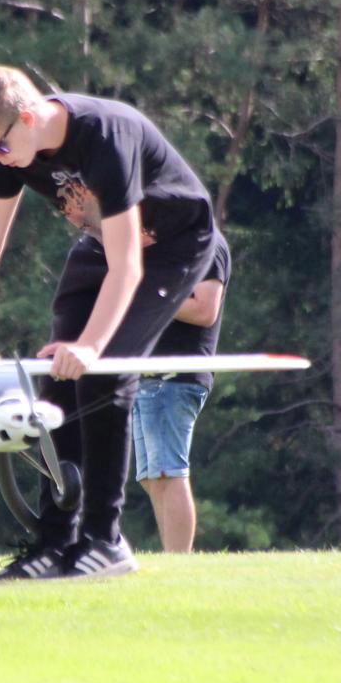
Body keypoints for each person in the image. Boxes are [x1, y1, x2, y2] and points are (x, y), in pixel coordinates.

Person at [0, 62, 218, 581]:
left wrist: (93, 345)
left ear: (29, 118)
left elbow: (129, 265)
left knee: (101, 374)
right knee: (56, 378)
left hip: (172, 248)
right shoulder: (12, 152)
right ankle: (55, 543)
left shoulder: (105, 138)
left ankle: (106, 541)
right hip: (104, 245)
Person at [131, 230, 229, 553]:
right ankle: (173, 559)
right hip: (147, 377)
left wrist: (146, 298)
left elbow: (204, 310)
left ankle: (179, 563)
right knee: (152, 477)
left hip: (175, 377)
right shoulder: (168, 242)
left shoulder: (207, 242)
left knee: (168, 473)